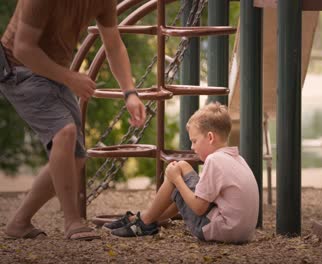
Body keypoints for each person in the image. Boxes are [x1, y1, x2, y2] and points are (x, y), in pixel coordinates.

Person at [1, 0, 146, 240]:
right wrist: (70, 78)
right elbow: (23, 48)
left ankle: (19, 223)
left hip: (53, 71)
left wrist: (130, 93)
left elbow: (114, 45)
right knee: (64, 132)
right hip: (17, 69)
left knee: (75, 159)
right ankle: (73, 221)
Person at [105, 103, 259, 243]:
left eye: (195, 141)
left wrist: (176, 180)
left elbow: (199, 208)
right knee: (183, 166)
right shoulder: (237, 159)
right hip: (242, 233)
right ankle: (146, 219)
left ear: (210, 137)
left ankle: (143, 222)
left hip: (220, 230)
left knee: (177, 175)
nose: (192, 147)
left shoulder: (214, 160)